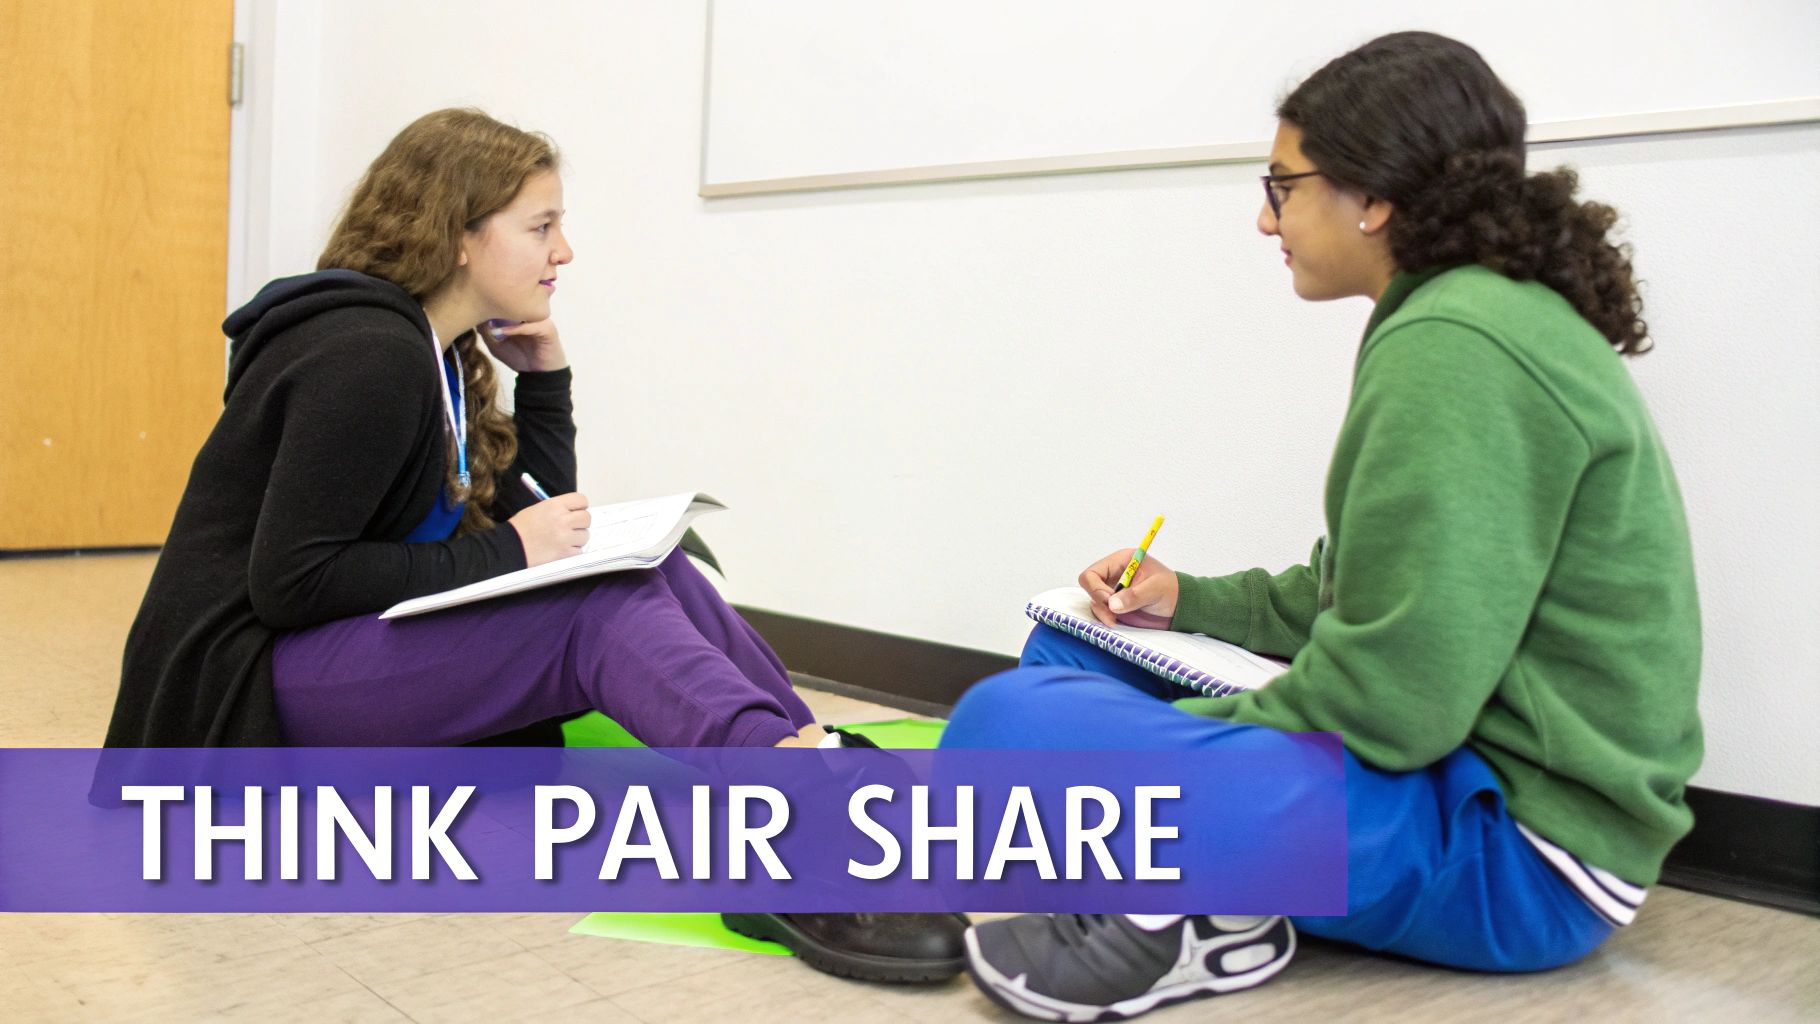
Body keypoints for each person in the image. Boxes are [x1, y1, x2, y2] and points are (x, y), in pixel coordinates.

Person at [104, 107, 965, 983]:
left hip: (331, 653)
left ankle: (810, 757)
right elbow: (293, 582)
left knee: (650, 563)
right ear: (459, 236)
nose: (564, 252)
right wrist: (513, 552)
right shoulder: (365, 356)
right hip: (249, 691)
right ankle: (792, 809)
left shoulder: (434, 351)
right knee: (592, 608)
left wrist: (545, 382)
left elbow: (539, 516)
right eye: (541, 227)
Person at [947, 32, 1701, 1021]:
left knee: (1003, 727)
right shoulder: (1467, 315)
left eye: (1283, 185)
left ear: (1372, 196)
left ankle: (1199, 889)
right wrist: (1187, 603)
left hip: (1519, 856)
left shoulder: (1456, 341)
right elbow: (1359, 595)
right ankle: (1191, 860)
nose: (1266, 219)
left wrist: (1174, 759)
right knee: (1071, 652)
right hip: (1454, 777)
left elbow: (1391, 705)